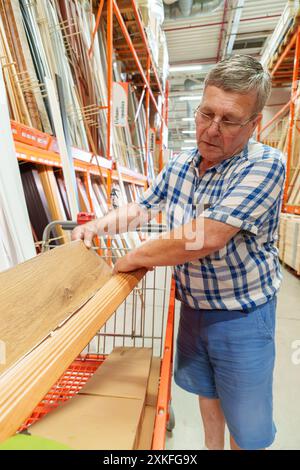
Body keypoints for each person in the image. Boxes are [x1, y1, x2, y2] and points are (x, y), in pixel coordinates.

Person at [72, 55, 285, 450]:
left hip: (242, 315)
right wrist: (97, 227)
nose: (211, 129)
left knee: (248, 426)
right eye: (206, 113)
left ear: (253, 124)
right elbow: (142, 208)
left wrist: (134, 257)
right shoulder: (182, 164)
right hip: (194, 309)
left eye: (229, 120)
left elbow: (205, 236)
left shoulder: (264, 165)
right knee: (207, 396)